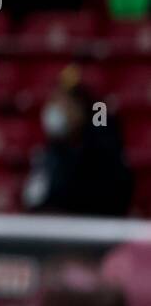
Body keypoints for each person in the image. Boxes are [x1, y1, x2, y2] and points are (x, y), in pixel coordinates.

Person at [23, 82, 133, 217]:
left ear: (79, 110)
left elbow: (105, 196)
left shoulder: (102, 148)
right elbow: (35, 196)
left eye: (63, 105)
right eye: (53, 103)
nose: (54, 111)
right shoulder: (53, 150)